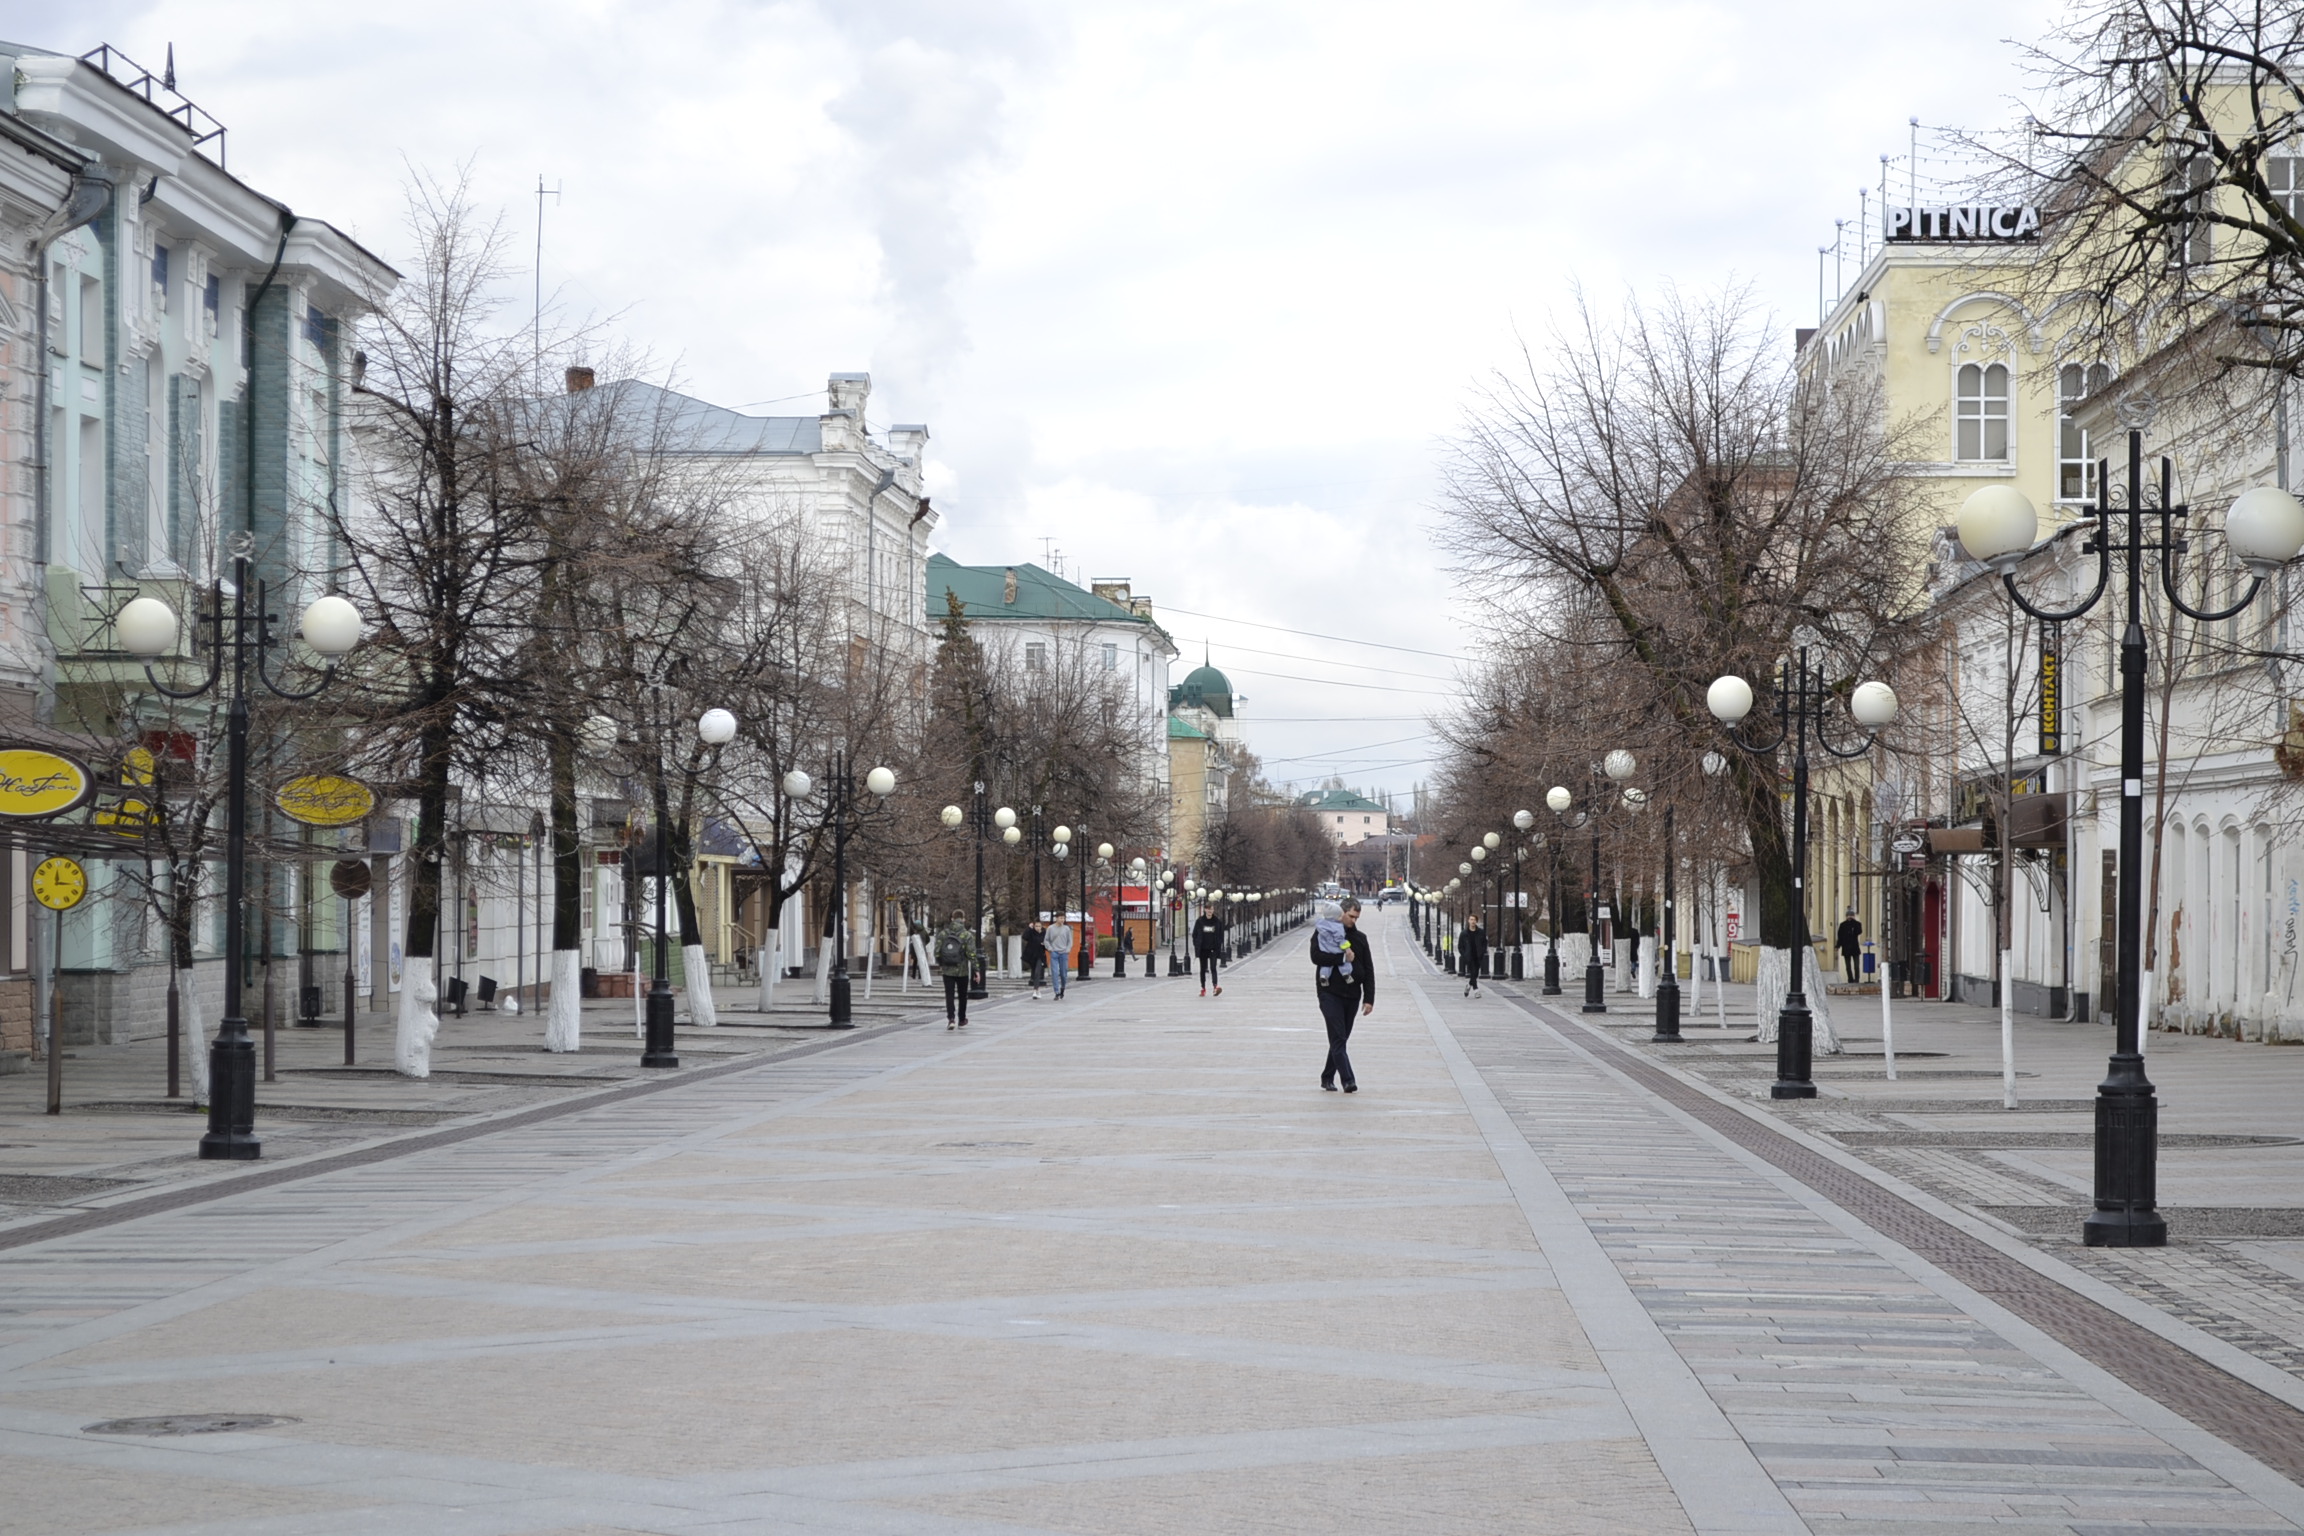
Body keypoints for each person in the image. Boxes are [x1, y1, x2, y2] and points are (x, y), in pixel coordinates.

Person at [1310, 898, 1374, 1091]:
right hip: (1329, 992)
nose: (1354, 921)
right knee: (1338, 1036)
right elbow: (1316, 957)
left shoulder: (1360, 938)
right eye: (1351, 916)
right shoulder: (1323, 932)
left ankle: (1327, 1076)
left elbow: (1369, 969)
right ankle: (1348, 1080)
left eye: (1357, 918)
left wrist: (1369, 998)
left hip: (1353, 995)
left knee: (1341, 1038)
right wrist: (1340, 958)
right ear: (1341, 913)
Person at [931, 909, 978, 1028]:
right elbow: (971, 954)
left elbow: (936, 952)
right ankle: (962, 1019)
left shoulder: (943, 934)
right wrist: (976, 970)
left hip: (947, 970)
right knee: (963, 995)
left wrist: (942, 963)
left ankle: (951, 1019)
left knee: (949, 995)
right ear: (963, 919)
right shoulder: (967, 935)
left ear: (952, 919)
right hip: (962, 971)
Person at [1192, 903, 1227, 997]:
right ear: (1205, 910)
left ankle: (1215, 987)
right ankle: (1203, 988)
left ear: (1213, 910)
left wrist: (1218, 945)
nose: (1209, 911)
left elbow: (1220, 935)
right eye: (1208, 909)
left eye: (1211, 909)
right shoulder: (1200, 921)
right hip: (1203, 949)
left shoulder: (1217, 922)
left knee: (1213, 968)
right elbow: (1194, 934)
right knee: (1203, 969)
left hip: (1213, 949)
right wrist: (1196, 945)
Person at [1045, 913, 1075, 1000]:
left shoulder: (1066, 929)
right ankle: (1056, 992)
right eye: (1060, 918)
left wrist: (1068, 949)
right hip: (1054, 952)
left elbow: (1070, 940)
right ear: (1056, 918)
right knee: (1054, 972)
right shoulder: (1050, 928)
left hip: (1064, 953)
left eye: (1063, 918)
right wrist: (1050, 948)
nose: (1062, 920)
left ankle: (1063, 988)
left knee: (1063, 973)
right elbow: (1046, 940)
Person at [1460, 913, 1489, 997]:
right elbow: (1460, 946)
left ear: (1476, 921)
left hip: (1478, 956)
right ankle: (1476, 990)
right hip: (1469, 956)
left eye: (1474, 920)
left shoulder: (1481, 932)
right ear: (1468, 921)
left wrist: (1482, 952)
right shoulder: (1464, 933)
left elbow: (1484, 943)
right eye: (1471, 919)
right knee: (1473, 971)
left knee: (1475, 973)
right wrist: (1464, 955)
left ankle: (1469, 985)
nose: (1473, 921)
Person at [1837, 908, 1864, 985]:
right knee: (1848, 966)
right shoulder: (1842, 925)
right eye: (1848, 915)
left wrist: (1853, 923)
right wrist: (1838, 945)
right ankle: (1850, 979)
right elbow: (1840, 936)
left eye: (1851, 915)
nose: (1849, 917)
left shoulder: (1857, 924)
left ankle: (1857, 979)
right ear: (1846, 916)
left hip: (1855, 948)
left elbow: (1859, 931)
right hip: (1846, 948)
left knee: (1856, 966)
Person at [1023, 920, 1048, 1000]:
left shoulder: (1044, 933)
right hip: (1032, 956)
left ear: (1041, 926)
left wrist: (1044, 945)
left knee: (1037, 972)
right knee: (1034, 973)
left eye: (1039, 926)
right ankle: (1037, 990)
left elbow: (1048, 943)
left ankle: (1035, 990)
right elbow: (1025, 937)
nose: (1037, 928)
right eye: (1036, 926)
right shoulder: (1031, 933)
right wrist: (1029, 928)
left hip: (1040, 956)